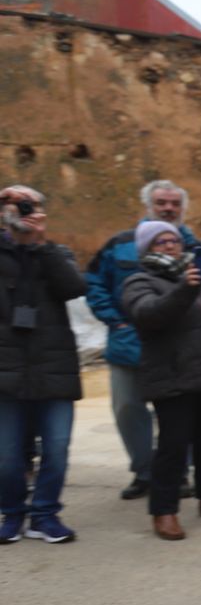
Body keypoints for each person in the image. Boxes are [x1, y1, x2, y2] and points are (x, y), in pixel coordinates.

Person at [85, 179, 201, 500]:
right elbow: (94, 283)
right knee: (127, 409)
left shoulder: (196, 250)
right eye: (161, 202)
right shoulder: (119, 244)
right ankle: (145, 472)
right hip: (129, 346)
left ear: (183, 208)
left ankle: (179, 474)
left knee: (183, 416)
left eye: (175, 204)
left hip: (181, 351)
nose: (168, 208)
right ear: (148, 206)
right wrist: (117, 321)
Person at [121, 221, 201, 541]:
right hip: (172, 375)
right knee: (173, 446)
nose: (171, 246)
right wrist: (186, 288)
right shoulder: (139, 281)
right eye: (161, 242)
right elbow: (149, 315)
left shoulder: (199, 277)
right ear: (147, 249)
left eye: (174, 240)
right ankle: (164, 511)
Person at [0, 185, 86, 545]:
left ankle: (45, 514)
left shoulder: (55, 252)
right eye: (12, 204)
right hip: (6, 370)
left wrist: (39, 242)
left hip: (53, 368)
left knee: (57, 446)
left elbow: (72, 287)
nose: (20, 211)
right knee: (6, 454)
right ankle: (12, 514)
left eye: (29, 205)